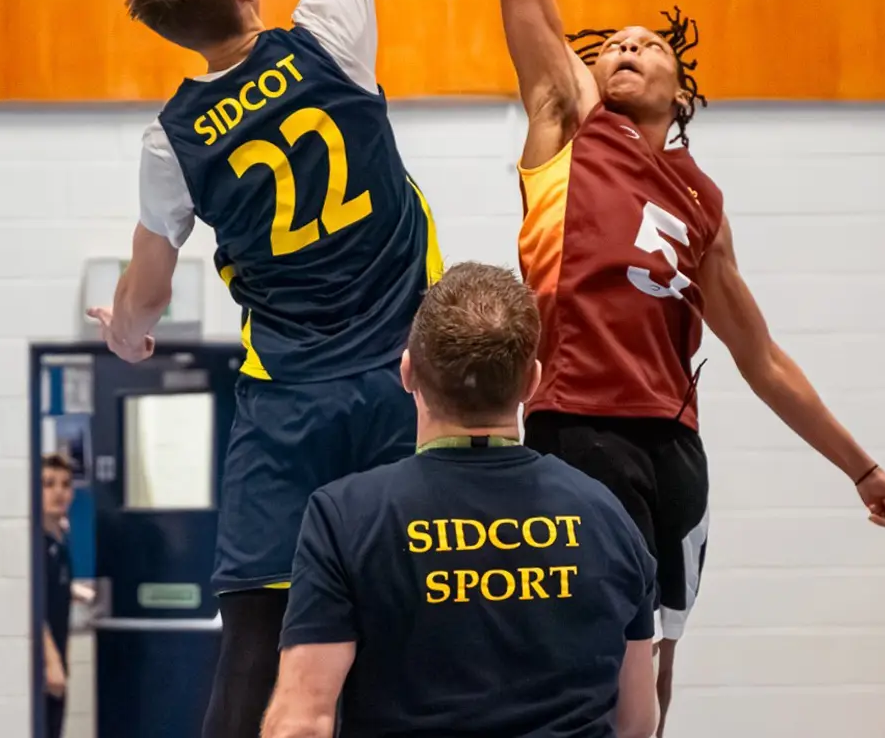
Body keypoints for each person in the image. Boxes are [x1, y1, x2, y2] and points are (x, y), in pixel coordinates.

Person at [434, 0, 885, 733]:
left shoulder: (702, 198)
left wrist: (863, 466)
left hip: (674, 447)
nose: (623, 47)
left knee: (658, 663)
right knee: (582, 659)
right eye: (612, 41)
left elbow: (760, 357)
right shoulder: (566, 125)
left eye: (647, 44)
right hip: (570, 426)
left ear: (680, 88)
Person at [90, 0, 437, 733]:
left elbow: (147, 298)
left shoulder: (170, 141)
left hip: (285, 405)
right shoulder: (330, 27)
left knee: (255, 636)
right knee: (406, 635)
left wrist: (127, 333)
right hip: (403, 386)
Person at [263, 261, 659, 738]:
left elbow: (301, 725)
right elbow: (637, 722)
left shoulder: (345, 519)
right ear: (531, 383)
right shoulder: (607, 517)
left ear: (407, 372)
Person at [41, 453, 76, 738]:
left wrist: (73, 591)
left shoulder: (59, 542)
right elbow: (31, 610)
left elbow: (54, 584)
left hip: (59, 658)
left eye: (65, 484)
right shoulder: (37, 545)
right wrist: (51, 661)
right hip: (44, 665)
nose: (58, 492)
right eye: (48, 484)